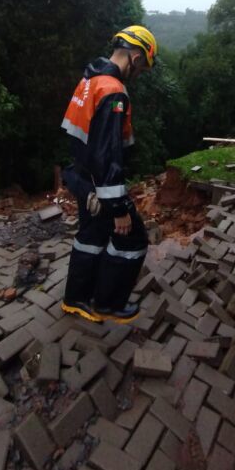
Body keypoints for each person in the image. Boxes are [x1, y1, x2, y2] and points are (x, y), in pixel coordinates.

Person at [60, 25, 158, 323]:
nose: (138, 75)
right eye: (141, 69)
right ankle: (108, 303)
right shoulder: (113, 91)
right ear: (136, 58)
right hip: (98, 184)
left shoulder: (89, 80)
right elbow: (106, 154)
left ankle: (76, 298)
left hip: (82, 176)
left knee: (92, 236)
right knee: (133, 238)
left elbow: (83, 139)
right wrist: (118, 208)